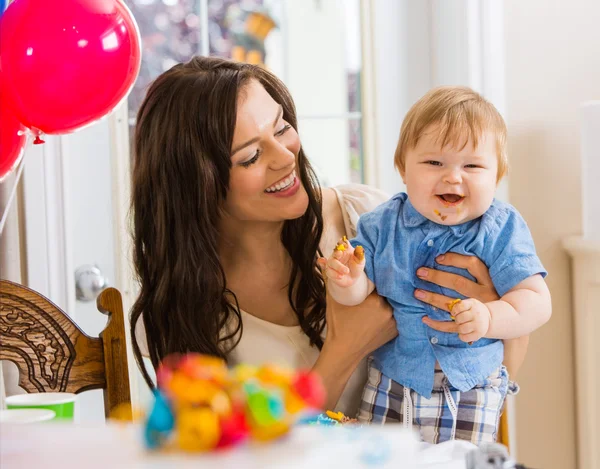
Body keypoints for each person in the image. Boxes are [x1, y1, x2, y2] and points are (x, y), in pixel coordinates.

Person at [130, 57, 530, 418]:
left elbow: (498, 375)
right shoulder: (179, 312)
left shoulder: (368, 218)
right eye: (251, 155)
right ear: (195, 186)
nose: (286, 157)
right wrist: (344, 349)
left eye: (282, 128)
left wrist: (495, 310)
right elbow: (235, 457)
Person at [323, 86, 551, 443]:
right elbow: (357, 295)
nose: (453, 177)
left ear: (497, 176)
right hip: (393, 379)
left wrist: (492, 316)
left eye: (473, 165)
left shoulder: (501, 228)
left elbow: (537, 301)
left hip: (471, 384)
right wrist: (348, 279)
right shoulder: (381, 224)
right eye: (434, 163)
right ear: (402, 167)